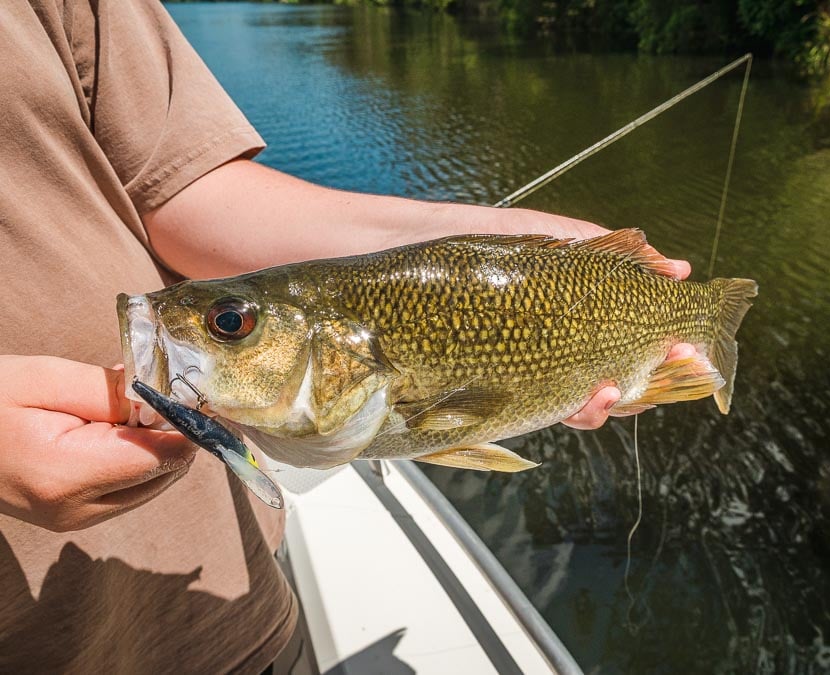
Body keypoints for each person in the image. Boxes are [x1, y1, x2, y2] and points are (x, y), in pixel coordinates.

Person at [0, 1, 691, 671]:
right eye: (231, 325)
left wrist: (483, 242)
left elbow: (182, 191)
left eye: (231, 325)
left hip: (234, 603)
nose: (161, 319)